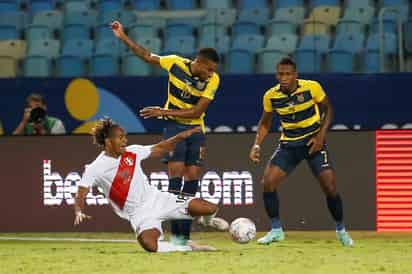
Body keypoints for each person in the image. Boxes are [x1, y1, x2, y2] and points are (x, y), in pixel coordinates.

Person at [111, 21, 228, 246]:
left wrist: (162, 111)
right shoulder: (174, 63)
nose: (212, 74)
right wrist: (123, 37)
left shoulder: (213, 80)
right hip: (174, 127)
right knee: (175, 177)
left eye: (214, 70)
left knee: (192, 176)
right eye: (209, 69)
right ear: (199, 63)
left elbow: (197, 110)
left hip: (195, 128)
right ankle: (173, 236)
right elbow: (147, 56)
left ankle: (184, 237)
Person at [74, 118, 227, 252]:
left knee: (210, 208)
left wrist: (181, 136)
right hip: (139, 214)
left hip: (159, 199)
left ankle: (207, 221)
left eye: (125, 137)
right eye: (120, 138)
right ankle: (188, 246)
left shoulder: (132, 152)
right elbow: (81, 192)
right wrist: (79, 210)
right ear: (108, 141)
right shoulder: (95, 168)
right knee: (150, 245)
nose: (125, 141)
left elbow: (161, 148)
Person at [249, 57, 354, 246]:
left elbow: (328, 109)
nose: (284, 78)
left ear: (295, 75)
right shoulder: (271, 96)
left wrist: (321, 136)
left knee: (330, 187)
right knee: (268, 183)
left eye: (288, 74)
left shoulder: (312, 87)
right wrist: (257, 145)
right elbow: (265, 122)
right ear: (276, 75)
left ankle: (341, 231)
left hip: (313, 143)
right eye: (280, 74)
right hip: (289, 145)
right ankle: (276, 230)